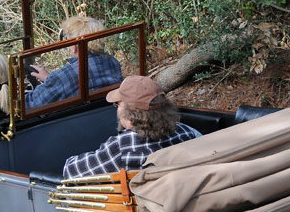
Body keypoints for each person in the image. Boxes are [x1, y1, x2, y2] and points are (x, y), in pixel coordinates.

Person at [63, 75, 201, 179]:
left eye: (118, 104)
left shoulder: (123, 146)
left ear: (130, 115)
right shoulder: (185, 132)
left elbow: (70, 172)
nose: (117, 109)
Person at [25, 15, 122, 108]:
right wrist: (49, 80)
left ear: (74, 46)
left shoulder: (64, 76)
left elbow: (31, 104)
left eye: (67, 39)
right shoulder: (112, 62)